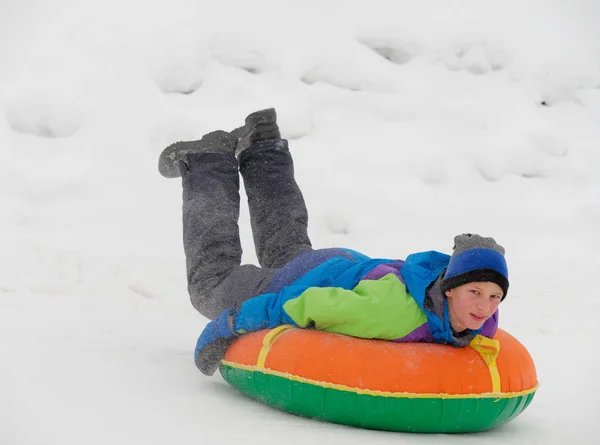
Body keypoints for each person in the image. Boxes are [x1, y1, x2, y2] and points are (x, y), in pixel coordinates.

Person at [158, 108, 509, 376]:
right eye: (474, 293)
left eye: (494, 296)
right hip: (317, 281)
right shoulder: (392, 314)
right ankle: (208, 162)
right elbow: (302, 304)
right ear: (449, 288)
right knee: (210, 285)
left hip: (341, 267)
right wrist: (229, 325)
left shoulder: (478, 321)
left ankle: (263, 146)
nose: (484, 307)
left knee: (286, 248)